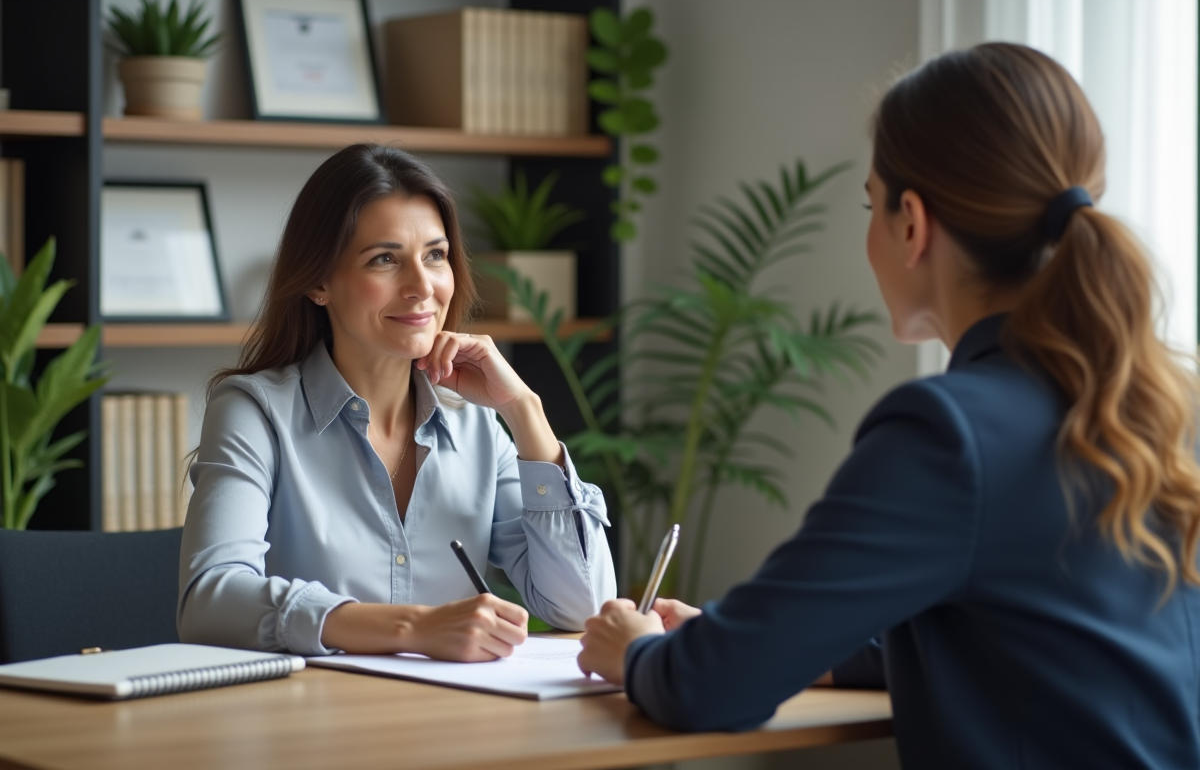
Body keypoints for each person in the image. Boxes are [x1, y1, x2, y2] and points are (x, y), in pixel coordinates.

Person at [576, 43, 1200, 768]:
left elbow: (708, 689)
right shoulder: (1155, 403)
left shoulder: (949, 435)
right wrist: (792, 647)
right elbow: (1038, 628)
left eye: (871, 206)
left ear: (912, 222)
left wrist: (638, 650)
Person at [178, 144, 616, 661]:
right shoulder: (254, 412)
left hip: (454, 722)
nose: (422, 286)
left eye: (435, 255)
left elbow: (582, 607)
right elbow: (209, 601)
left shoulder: (475, 422)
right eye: (385, 259)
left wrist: (525, 411)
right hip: (308, 725)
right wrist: (413, 627)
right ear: (319, 281)